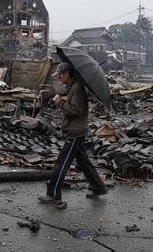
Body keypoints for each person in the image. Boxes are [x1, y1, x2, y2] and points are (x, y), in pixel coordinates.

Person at [38, 62, 107, 204]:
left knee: (62, 163)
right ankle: (98, 188)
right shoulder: (73, 87)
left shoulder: (77, 88)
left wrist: (59, 103)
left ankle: (53, 194)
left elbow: (76, 110)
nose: (58, 78)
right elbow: (74, 106)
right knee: (84, 162)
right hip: (76, 130)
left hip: (76, 132)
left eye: (60, 75)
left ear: (67, 74)